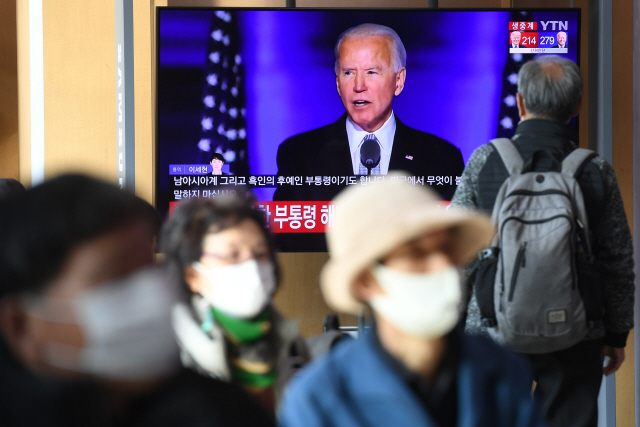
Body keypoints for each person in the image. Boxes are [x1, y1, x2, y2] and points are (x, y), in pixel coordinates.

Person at [0, 174, 273, 427]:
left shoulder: (223, 412)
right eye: (116, 276)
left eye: (150, 268)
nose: (152, 294)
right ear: (20, 325)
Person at [451, 55, 634, 427]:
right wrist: (616, 334)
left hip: (490, 330)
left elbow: (454, 253)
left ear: (520, 103)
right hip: (577, 330)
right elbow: (617, 260)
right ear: (577, 105)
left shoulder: (485, 160)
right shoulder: (594, 169)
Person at [279, 175, 547, 427]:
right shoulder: (319, 399)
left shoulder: (503, 370)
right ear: (366, 281)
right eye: (416, 253)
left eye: (446, 249)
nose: (443, 264)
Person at [273, 23, 463, 203]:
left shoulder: (441, 158)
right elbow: (288, 234)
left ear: (399, 80)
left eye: (371, 72)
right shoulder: (298, 155)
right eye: (348, 73)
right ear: (338, 82)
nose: (358, 86)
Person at [161, 194, 310, 414]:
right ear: (193, 275)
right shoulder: (167, 354)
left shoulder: (292, 343)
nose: (251, 267)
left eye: (260, 254)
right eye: (232, 255)